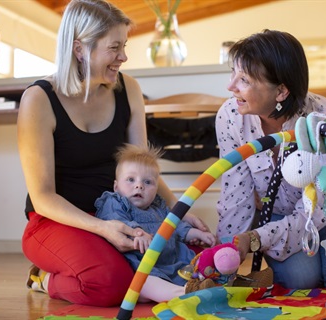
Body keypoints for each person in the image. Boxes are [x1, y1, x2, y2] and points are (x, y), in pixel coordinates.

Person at [18, 0, 210, 307]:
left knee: (194, 258)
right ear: (80, 49)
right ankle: (45, 278)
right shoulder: (38, 100)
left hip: (121, 216)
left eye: (124, 45)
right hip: (56, 222)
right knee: (112, 283)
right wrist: (103, 228)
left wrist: (179, 215)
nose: (123, 56)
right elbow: (42, 197)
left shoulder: (128, 89)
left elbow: (144, 168)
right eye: (115, 47)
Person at [215, 29, 326, 289]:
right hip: (275, 210)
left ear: (280, 92)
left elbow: (319, 203)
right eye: (233, 73)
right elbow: (235, 194)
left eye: (243, 79)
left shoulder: (325, 116)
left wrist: (255, 238)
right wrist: (226, 257)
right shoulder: (230, 116)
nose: (230, 86)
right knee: (300, 281)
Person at [95, 144, 217, 302]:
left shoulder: (159, 207)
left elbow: (174, 224)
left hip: (171, 260)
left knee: (198, 262)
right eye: (131, 180)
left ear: (157, 188)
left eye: (148, 182)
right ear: (116, 186)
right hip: (144, 266)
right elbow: (115, 219)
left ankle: (209, 283)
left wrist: (196, 233)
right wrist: (137, 232)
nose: (139, 185)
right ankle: (184, 294)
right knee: (144, 283)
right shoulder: (115, 202)